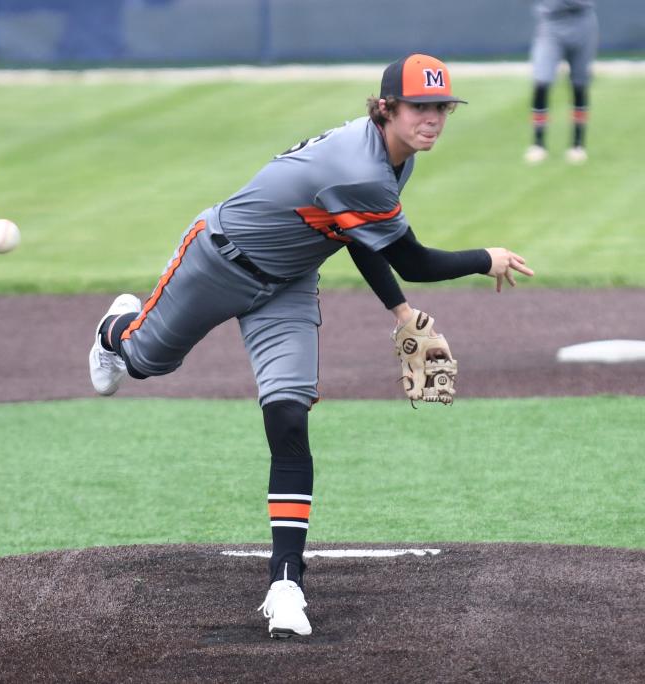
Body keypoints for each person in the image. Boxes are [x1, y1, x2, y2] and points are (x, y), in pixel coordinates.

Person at [87, 54, 534, 638]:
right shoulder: (358, 164)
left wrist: (399, 312)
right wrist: (486, 258)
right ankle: (113, 329)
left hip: (288, 286)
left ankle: (285, 584)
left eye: (441, 107)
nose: (432, 119)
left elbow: (361, 238)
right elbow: (414, 259)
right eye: (420, 107)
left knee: (289, 414)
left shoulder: (391, 161)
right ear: (387, 108)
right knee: (146, 361)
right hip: (218, 260)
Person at [524, 0, 598, 165]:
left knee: (580, 83)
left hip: (582, 19)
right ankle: (538, 143)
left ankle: (578, 144)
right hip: (551, 21)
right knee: (542, 81)